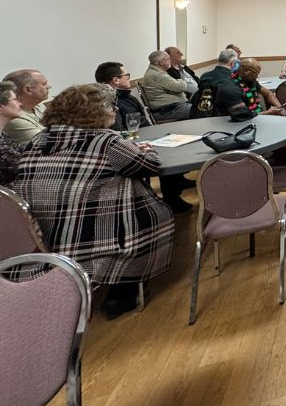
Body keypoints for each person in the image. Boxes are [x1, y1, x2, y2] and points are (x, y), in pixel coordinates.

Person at [13, 83, 174, 320]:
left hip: (45, 230)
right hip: (98, 228)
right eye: (111, 106)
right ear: (94, 112)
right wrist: (146, 151)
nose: (115, 111)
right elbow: (148, 165)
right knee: (151, 207)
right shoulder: (106, 141)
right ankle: (123, 289)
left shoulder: (38, 140)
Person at [193, 49, 256, 120]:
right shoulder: (232, 80)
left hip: (200, 117)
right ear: (233, 63)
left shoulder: (204, 76)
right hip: (225, 119)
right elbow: (242, 113)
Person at [0, 81, 23, 185]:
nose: (20, 103)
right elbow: (24, 167)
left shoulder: (1, 136)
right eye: (15, 100)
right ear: (0, 106)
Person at [94, 62, 151, 131]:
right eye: (126, 75)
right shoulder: (110, 103)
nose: (128, 78)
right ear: (115, 80)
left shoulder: (127, 97)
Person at [1, 69, 51, 145]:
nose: (49, 86)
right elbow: (48, 144)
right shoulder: (14, 119)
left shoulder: (37, 105)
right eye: (44, 84)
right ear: (28, 90)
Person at [140, 50, 191, 121]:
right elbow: (181, 87)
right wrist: (181, 80)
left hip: (172, 107)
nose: (170, 60)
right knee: (201, 110)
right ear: (161, 62)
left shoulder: (155, 71)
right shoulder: (158, 75)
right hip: (168, 111)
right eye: (168, 58)